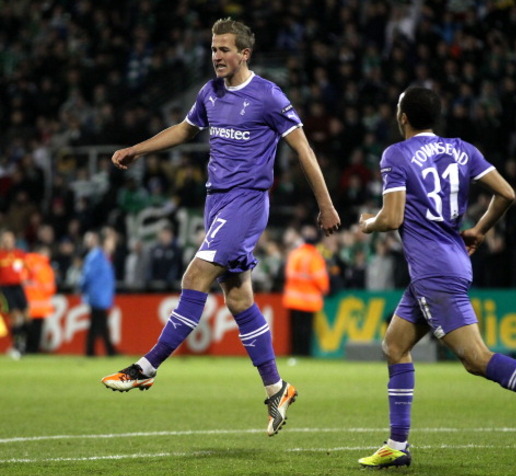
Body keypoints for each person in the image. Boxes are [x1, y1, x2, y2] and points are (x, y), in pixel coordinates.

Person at [101, 18, 340, 437]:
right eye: (213, 49)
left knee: (195, 275)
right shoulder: (209, 93)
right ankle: (277, 388)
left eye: (225, 49)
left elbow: (303, 148)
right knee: (238, 299)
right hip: (216, 201)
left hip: (247, 202)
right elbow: (184, 129)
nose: (216, 56)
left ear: (244, 53)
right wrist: (137, 149)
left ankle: (147, 366)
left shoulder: (268, 96)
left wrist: (325, 204)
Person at [356, 87, 516, 469]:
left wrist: (367, 224)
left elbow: (393, 218)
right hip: (443, 265)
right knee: (394, 346)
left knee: (476, 359)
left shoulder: (395, 154)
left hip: (433, 270)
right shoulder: (463, 149)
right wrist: (479, 229)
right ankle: (397, 444)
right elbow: (507, 193)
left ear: (402, 117)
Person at [282, 225, 329, 356]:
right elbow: (321, 279)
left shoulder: (295, 254)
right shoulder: (315, 257)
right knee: (306, 330)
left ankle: (294, 352)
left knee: (294, 330)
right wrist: (325, 289)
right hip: (309, 301)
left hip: (293, 299)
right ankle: (305, 353)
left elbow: (288, 274)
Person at [80, 231, 118, 357]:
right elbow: (87, 276)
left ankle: (92, 351)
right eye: (111, 241)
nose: (113, 244)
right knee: (100, 324)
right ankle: (109, 351)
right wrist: (87, 292)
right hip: (97, 296)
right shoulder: (96, 256)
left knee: (97, 325)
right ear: (105, 242)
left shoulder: (105, 257)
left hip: (102, 296)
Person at [0, 230, 29, 359]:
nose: (8, 242)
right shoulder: (0, 255)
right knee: (15, 315)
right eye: (6, 240)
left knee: (26, 316)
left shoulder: (20, 254)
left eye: (10, 239)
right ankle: (16, 346)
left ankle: (21, 344)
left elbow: (28, 269)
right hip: (5, 288)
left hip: (18, 287)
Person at [23, 244, 57, 353]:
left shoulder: (27, 264)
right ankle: (33, 349)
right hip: (40, 303)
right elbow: (48, 288)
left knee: (28, 328)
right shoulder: (43, 267)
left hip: (28, 302)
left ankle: (26, 348)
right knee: (36, 329)